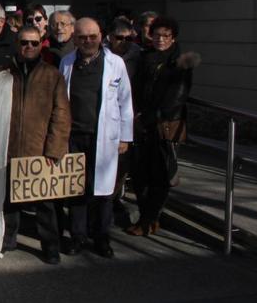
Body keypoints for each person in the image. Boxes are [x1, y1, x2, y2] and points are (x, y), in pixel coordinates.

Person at [59, 18, 133, 258]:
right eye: (82, 37)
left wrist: (125, 137)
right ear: (75, 38)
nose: (87, 41)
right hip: (75, 136)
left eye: (92, 36)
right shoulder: (67, 62)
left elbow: (125, 102)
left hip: (105, 137)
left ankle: (102, 238)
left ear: (101, 36)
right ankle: (78, 236)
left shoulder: (116, 63)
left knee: (103, 191)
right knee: (76, 189)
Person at [2, 26, 71, 265]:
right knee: (9, 200)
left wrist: (54, 149)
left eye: (33, 43)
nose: (28, 47)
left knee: (45, 204)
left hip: (39, 149)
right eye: (23, 42)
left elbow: (62, 115)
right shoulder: (3, 72)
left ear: (41, 44)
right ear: (17, 44)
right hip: (9, 148)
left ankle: (50, 246)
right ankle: (8, 239)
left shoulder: (52, 75)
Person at [127, 17, 200, 237]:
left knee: (159, 176)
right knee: (139, 174)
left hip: (163, 126)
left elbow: (177, 97)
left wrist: (153, 116)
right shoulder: (145, 57)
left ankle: (148, 220)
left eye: (165, 35)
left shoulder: (180, 61)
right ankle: (147, 217)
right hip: (141, 123)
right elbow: (136, 87)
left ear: (173, 37)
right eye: (156, 35)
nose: (160, 39)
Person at [106, 18, 142, 227]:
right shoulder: (103, 56)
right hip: (105, 119)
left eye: (128, 38)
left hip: (130, 118)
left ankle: (113, 201)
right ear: (110, 37)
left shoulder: (138, 57)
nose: (124, 42)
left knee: (122, 167)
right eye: (119, 38)